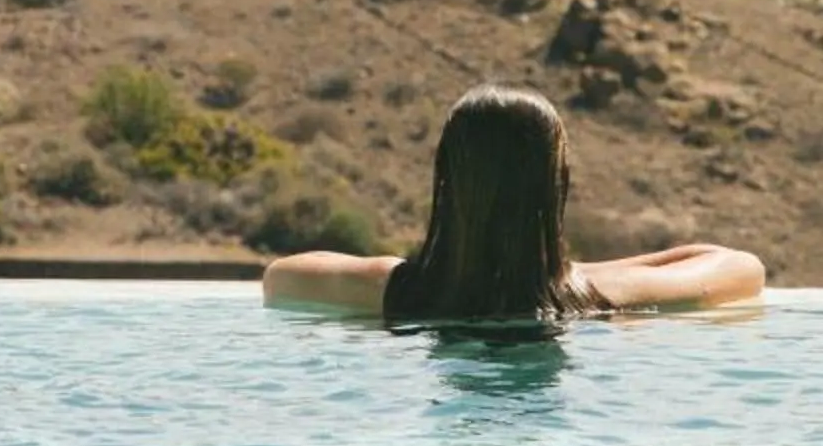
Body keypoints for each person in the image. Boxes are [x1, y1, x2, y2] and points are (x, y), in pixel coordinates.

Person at [263, 83, 765, 320]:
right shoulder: (599, 294)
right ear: (553, 184)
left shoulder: (398, 290)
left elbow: (281, 276)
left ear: (449, 180)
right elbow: (743, 267)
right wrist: (574, 273)